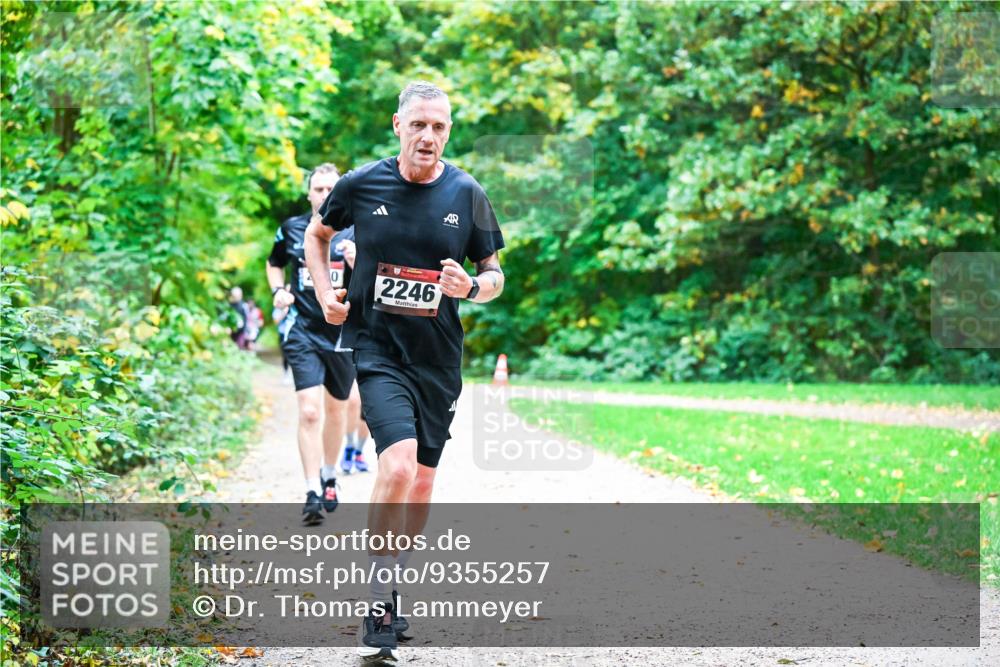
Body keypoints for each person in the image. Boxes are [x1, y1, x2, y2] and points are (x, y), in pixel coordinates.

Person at [305, 81, 505, 662]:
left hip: (439, 359)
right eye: (418, 124)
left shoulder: (467, 193)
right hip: (377, 350)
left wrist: (472, 286)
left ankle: (394, 582)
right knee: (394, 465)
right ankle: (377, 603)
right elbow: (318, 237)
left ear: (448, 131)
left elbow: (494, 274)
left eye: (439, 127)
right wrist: (324, 293)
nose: (429, 136)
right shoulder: (362, 184)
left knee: (421, 482)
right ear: (398, 125)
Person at [266, 163, 358, 525]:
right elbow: (274, 264)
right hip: (302, 328)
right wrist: (278, 291)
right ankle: (310, 491)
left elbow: (381, 276)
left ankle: (329, 474)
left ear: (340, 192)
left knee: (338, 410)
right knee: (309, 410)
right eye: (317, 189)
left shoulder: (357, 230)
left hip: (342, 331)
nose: (323, 195)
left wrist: (358, 260)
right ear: (309, 194)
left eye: (329, 189)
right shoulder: (292, 229)